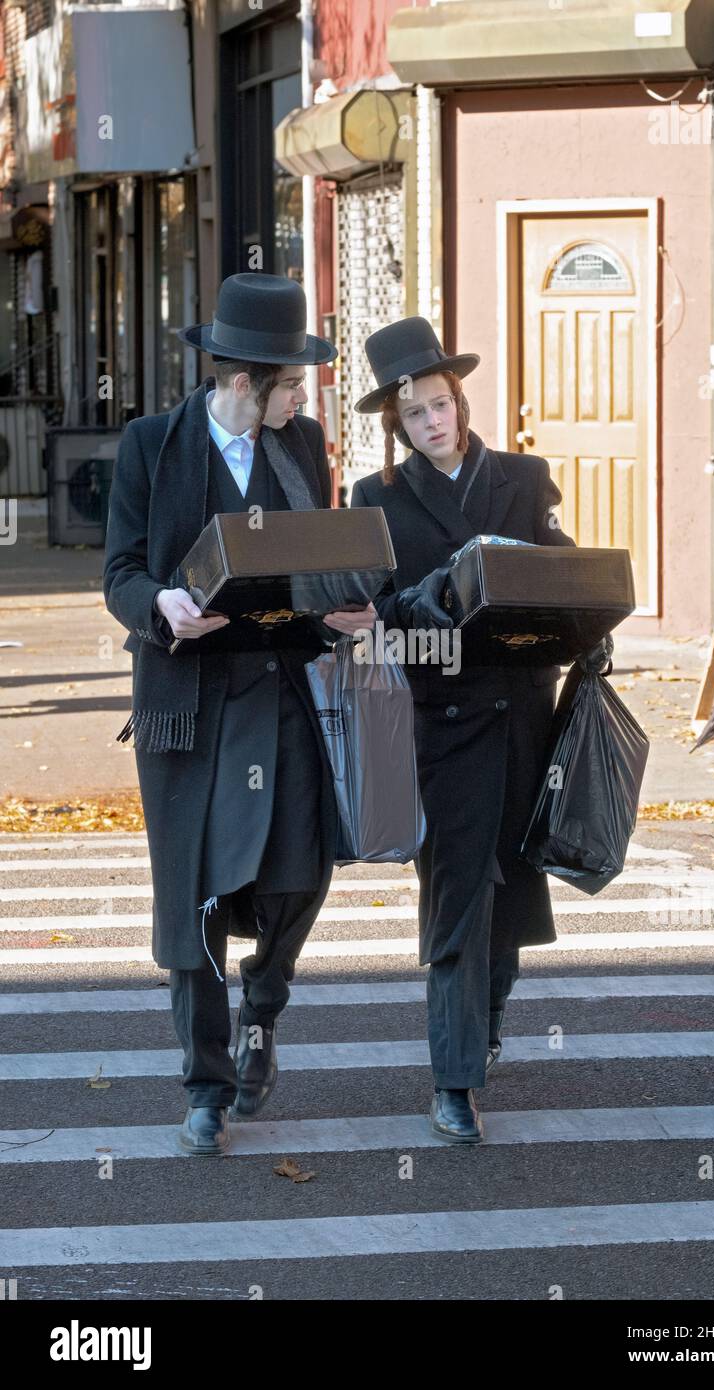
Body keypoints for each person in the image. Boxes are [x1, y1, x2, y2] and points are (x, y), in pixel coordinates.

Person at [104, 273, 375, 1156]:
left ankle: (264, 1004)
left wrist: (347, 607)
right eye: (290, 382)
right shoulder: (150, 445)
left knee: (299, 877)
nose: (303, 397)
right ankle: (205, 1085)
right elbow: (120, 573)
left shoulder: (301, 447)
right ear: (242, 380)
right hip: (187, 704)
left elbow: (324, 561)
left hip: (283, 686)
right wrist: (159, 607)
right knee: (195, 899)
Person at [350, 317, 610, 1144]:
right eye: (415, 415)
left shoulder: (522, 478)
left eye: (440, 405)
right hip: (442, 725)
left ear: (458, 400)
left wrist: (590, 613)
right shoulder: (376, 499)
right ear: (396, 425)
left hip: (524, 716)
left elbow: (562, 565)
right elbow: (372, 614)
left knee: (514, 893)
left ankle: (487, 1025)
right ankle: (454, 1079)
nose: (433, 424)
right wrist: (419, 601)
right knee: (458, 895)